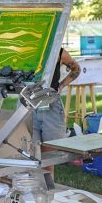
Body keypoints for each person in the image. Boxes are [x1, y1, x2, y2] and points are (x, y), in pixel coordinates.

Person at [33, 48, 80, 177]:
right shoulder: (24, 48)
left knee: (49, 156)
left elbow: (76, 69)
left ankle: (48, 189)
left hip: (51, 103)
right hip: (28, 104)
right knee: (29, 153)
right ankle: (33, 188)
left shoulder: (59, 52)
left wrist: (62, 85)